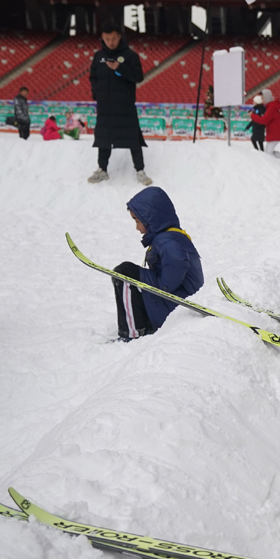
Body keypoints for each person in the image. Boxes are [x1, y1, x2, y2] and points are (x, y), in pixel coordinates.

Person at [113, 187, 204, 342]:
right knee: (132, 276)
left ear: (150, 219)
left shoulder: (166, 240)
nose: (137, 227)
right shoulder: (171, 235)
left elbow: (178, 260)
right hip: (181, 301)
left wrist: (164, 287)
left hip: (179, 306)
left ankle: (132, 333)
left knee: (125, 273)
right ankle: (141, 321)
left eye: (137, 221)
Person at [88, 21, 151, 185]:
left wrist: (120, 68)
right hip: (105, 106)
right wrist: (96, 93)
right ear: (102, 38)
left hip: (125, 105)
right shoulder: (98, 57)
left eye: (114, 38)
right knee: (103, 138)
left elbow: (138, 77)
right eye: (107, 39)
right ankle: (102, 169)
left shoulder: (130, 56)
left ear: (120, 37)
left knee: (133, 138)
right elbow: (93, 77)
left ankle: (140, 170)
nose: (110, 42)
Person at [252, 88, 280, 164]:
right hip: (274, 133)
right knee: (268, 153)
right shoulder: (271, 107)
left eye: (262, 98)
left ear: (266, 98)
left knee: (268, 154)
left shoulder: (271, 108)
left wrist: (252, 116)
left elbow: (263, 120)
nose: (262, 100)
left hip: (274, 134)